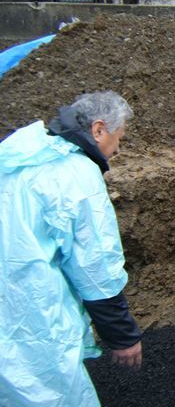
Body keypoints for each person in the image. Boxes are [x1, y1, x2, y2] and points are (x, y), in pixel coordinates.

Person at [0, 91, 142, 406]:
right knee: (46, 391)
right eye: (118, 139)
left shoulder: (18, 154)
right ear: (99, 129)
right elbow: (95, 268)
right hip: (27, 313)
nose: (117, 149)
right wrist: (122, 337)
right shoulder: (76, 175)